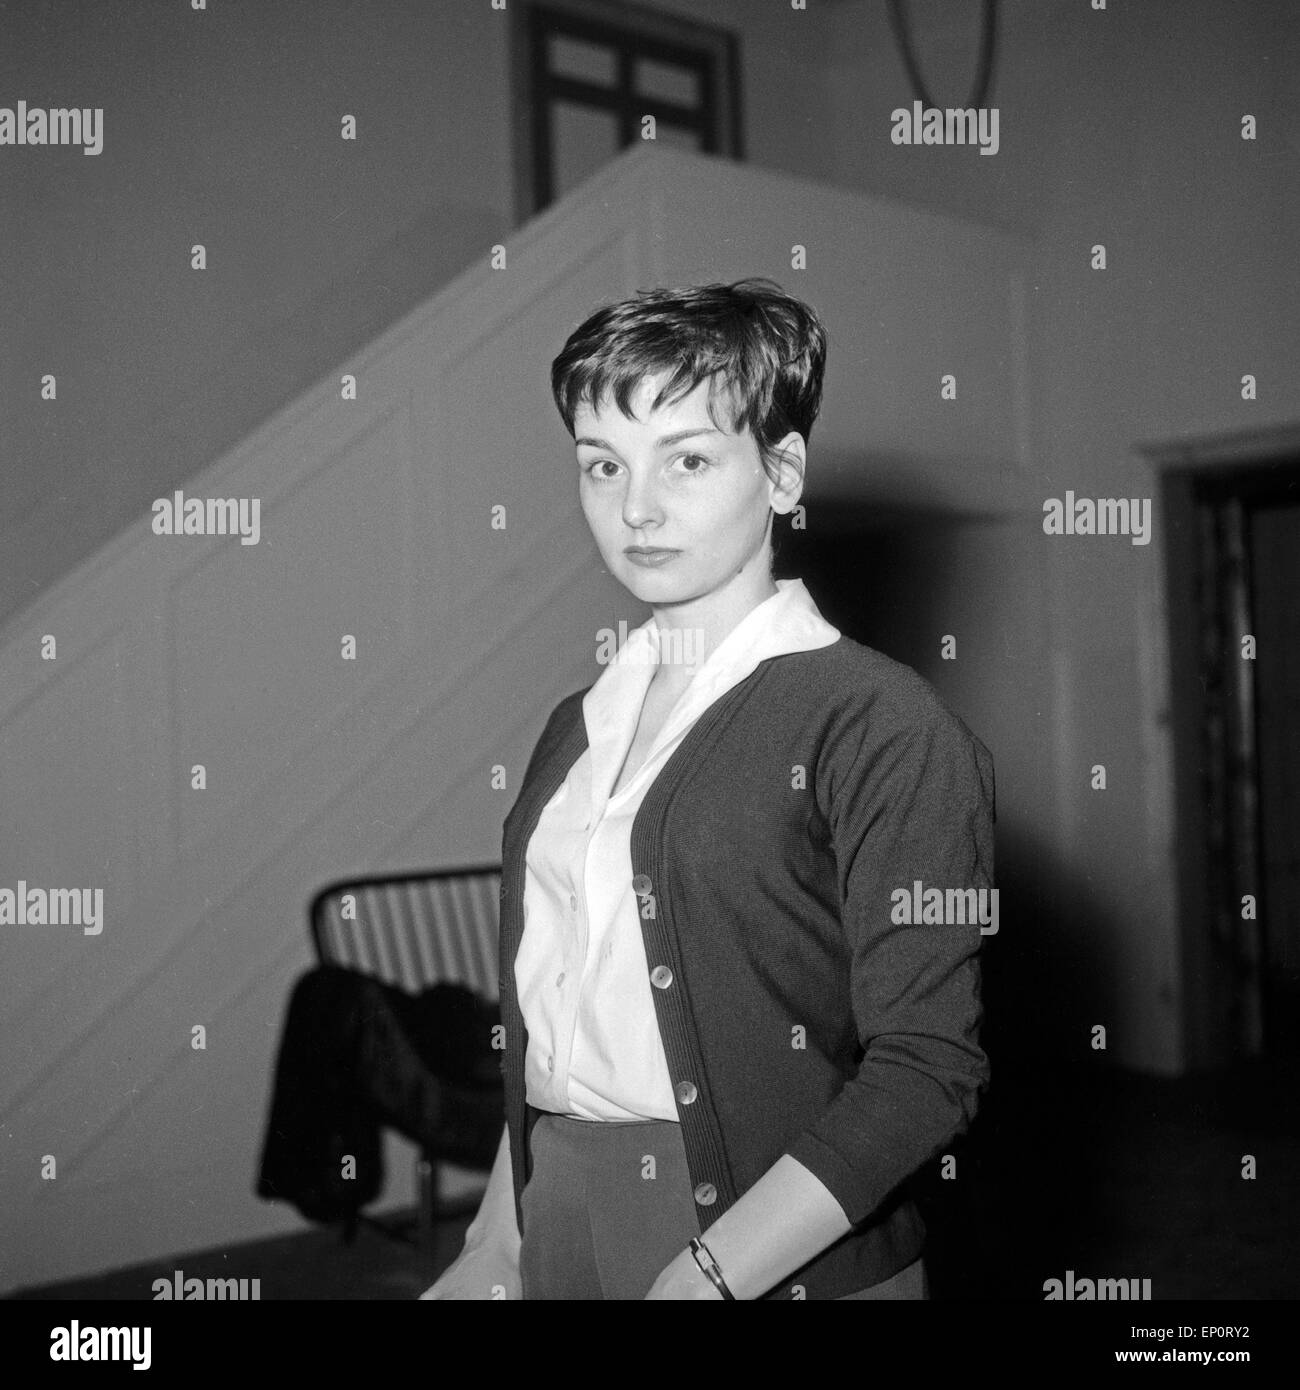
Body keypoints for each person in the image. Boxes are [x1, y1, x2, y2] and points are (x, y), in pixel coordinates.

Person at [421, 277, 994, 1301]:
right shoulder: (577, 722)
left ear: (780, 472)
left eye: (687, 458)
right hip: (557, 1203)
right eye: (603, 464)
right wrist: (496, 1239)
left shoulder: (880, 722)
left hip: (774, 1245)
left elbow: (926, 1072)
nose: (635, 507)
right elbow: (558, 1017)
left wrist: (711, 1275)